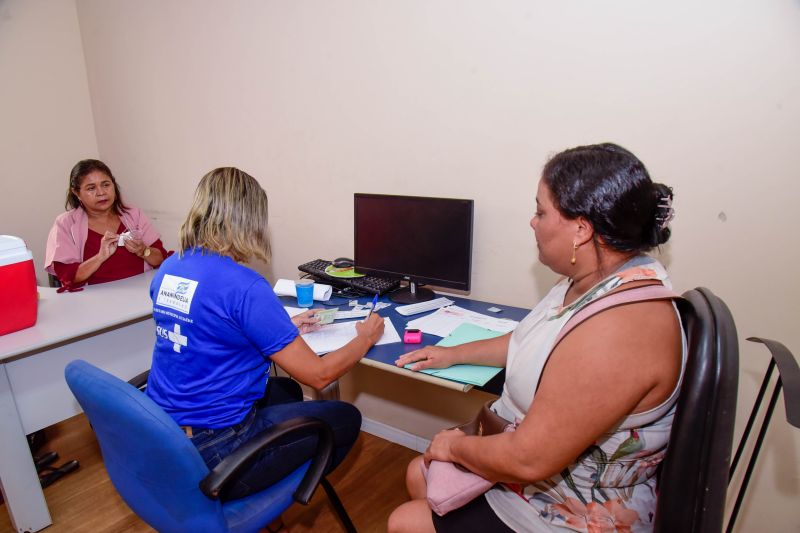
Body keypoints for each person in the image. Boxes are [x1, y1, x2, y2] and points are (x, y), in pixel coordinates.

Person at [388, 143, 682, 533]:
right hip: (536, 469)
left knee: (403, 521)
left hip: (573, 505)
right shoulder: (589, 280)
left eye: (541, 211)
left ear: (581, 229)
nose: (532, 222)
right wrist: (452, 354)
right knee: (416, 473)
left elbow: (529, 459)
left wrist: (452, 444)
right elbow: (528, 342)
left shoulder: (620, 327)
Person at [145, 167, 385, 502]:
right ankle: (268, 499)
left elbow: (205, 329)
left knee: (285, 390)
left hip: (164, 432)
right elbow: (320, 375)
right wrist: (366, 338)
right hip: (217, 447)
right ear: (250, 219)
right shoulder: (245, 286)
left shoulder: (171, 267)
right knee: (345, 418)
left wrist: (280, 327)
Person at [44, 159, 168, 288]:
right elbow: (68, 277)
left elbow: (161, 259)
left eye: (106, 185)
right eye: (91, 188)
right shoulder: (65, 224)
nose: (101, 193)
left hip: (140, 292)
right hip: (94, 301)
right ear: (76, 193)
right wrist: (100, 257)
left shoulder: (133, 214)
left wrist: (143, 250)